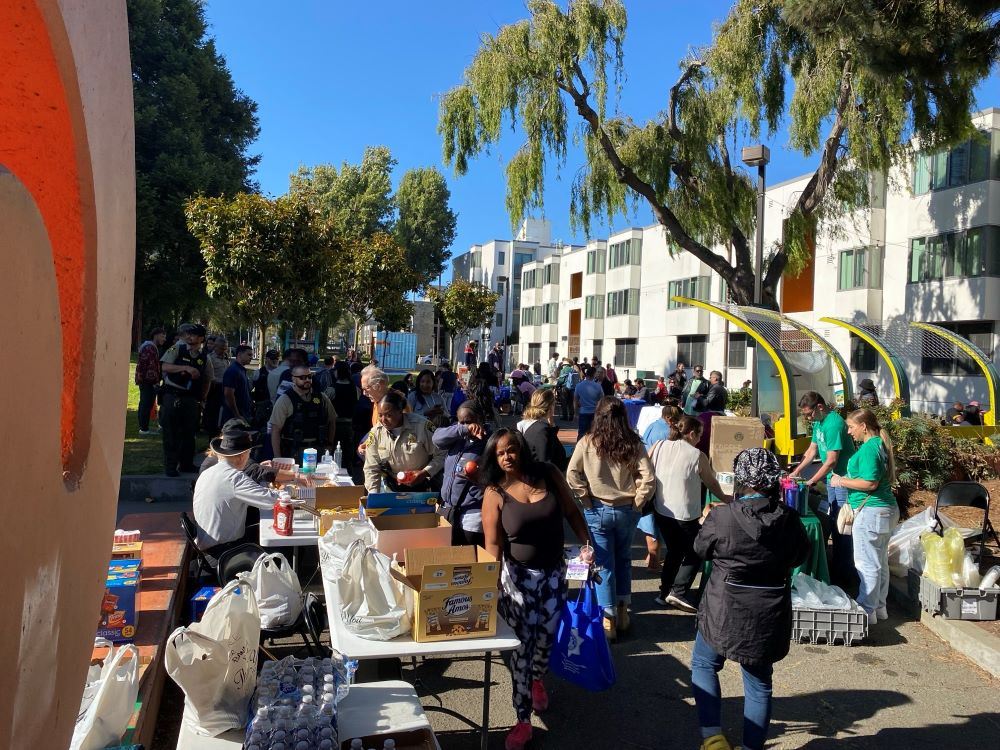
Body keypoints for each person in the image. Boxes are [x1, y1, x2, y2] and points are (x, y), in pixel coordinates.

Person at [480, 428, 593, 750]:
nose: (507, 457)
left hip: (555, 575)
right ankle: (522, 719)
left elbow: (572, 511)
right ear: (494, 458)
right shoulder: (495, 493)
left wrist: (587, 544)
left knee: (547, 638)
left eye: (511, 449)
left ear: (521, 449)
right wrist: (490, 589)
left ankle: (538, 677)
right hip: (517, 582)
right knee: (522, 649)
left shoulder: (548, 473)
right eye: (500, 453)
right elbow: (492, 545)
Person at [692, 448, 810, 750]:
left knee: (704, 664)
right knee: (759, 684)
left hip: (722, 609)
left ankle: (713, 740)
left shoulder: (721, 516)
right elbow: (800, 556)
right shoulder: (789, 519)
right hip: (768, 614)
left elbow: (700, 549)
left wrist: (707, 523)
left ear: (740, 479)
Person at [567, 397, 655, 640]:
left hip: (598, 508)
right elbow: (648, 477)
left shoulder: (588, 442)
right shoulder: (633, 443)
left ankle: (609, 618)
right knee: (623, 559)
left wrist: (585, 498)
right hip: (627, 508)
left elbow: (572, 473)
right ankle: (622, 610)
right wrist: (638, 501)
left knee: (604, 564)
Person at [649, 415, 728, 613]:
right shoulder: (697, 455)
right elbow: (711, 482)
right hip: (684, 513)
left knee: (674, 550)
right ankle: (678, 590)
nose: (700, 439)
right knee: (698, 549)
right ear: (691, 433)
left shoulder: (659, 445)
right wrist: (727, 499)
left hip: (661, 508)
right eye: (699, 435)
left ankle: (664, 592)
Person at [833, 408, 899, 623]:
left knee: (866, 563)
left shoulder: (870, 448)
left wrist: (840, 481)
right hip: (884, 510)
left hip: (871, 511)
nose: (849, 432)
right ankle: (879, 607)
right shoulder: (878, 444)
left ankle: (866, 609)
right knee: (879, 561)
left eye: (851, 427)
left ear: (863, 426)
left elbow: (870, 483)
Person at [787, 391, 856, 581]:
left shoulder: (833, 424)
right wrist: (797, 471)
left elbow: (832, 460)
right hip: (832, 479)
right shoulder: (819, 422)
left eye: (809, 414)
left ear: (819, 407)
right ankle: (837, 564)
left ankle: (845, 572)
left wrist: (811, 481)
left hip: (843, 478)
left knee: (843, 523)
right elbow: (812, 451)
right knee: (833, 518)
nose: (808, 418)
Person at [192, 420, 279, 567]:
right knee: (279, 548)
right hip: (224, 553)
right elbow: (272, 501)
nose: (249, 457)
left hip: (208, 548)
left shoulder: (209, 472)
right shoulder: (234, 477)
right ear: (241, 457)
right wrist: (289, 492)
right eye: (249, 453)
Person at [433, 401, 491, 545]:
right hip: (448, 508)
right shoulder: (458, 437)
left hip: (472, 511)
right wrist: (463, 429)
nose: (466, 425)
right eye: (461, 422)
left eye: (469, 421)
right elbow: (436, 438)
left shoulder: (489, 442)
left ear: (480, 419)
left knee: (468, 551)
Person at [363, 391, 445, 492]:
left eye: (388, 415)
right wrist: (374, 494)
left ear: (400, 411)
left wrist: (425, 472)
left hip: (421, 486)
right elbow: (371, 467)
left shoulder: (422, 426)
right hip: (391, 487)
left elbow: (442, 454)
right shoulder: (376, 432)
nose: (383, 420)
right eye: (380, 415)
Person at [160, 323, 210, 476]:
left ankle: (186, 464)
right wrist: (185, 368)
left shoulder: (205, 357)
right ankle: (171, 466)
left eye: (193, 334)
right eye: (188, 334)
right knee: (171, 433)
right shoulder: (177, 349)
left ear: (201, 338)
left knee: (189, 434)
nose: (189, 337)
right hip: (172, 395)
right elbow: (164, 367)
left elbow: (208, 378)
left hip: (191, 399)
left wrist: (202, 398)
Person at [269, 365, 337, 462]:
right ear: (293, 379)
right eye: (302, 377)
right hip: (294, 452)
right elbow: (275, 430)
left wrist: (329, 444)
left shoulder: (321, 397)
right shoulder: (285, 400)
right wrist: (278, 458)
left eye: (309, 376)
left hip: (318, 450)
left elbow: (332, 421)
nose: (307, 380)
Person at [516, 388, 568, 472]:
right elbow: (546, 463)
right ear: (551, 406)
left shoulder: (532, 426)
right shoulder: (542, 430)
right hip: (542, 477)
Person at [324, 361, 359, 473]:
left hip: (334, 425)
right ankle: (349, 473)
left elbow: (325, 404)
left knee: (333, 451)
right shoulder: (355, 388)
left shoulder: (332, 389)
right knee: (348, 453)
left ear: (337, 372)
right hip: (350, 424)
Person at [135, 327, 166, 435]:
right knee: (146, 403)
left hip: (146, 380)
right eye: (162, 336)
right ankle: (144, 429)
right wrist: (154, 382)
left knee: (145, 403)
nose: (164, 339)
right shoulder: (149, 347)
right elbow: (149, 367)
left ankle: (144, 427)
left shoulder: (150, 347)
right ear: (156, 335)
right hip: (147, 381)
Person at [219, 344, 254, 425]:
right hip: (233, 417)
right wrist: (237, 415)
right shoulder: (233, 371)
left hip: (242, 414)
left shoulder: (241, 370)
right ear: (239, 354)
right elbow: (228, 394)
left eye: (251, 355)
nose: (251, 357)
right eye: (249, 355)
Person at [203, 335, 231, 433]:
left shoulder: (226, 358)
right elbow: (207, 374)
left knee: (223, 409)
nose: (223, 350)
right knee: (212, 409)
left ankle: (220, 428)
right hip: (214, 387)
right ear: (215, 346)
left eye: (225, 348)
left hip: (225, 387)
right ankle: (210, 429)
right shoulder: (210, 358)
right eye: (221, 348)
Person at [251, 349, 280, 426]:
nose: (275, 360)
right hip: (261, 408)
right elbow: (248, 390)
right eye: (272, 358)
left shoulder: (282, 373)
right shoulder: (258, 373)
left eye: (276, 358)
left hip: (277, 407)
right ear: (266, 359)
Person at [573, 366, 603, 439]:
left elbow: (575, 400)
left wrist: (575, 413)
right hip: (594, 412)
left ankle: (579, 445)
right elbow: (602, 400)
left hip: (583, 412)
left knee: (581, 434)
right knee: (595, 434)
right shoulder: (598, 386)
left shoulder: (579, 386)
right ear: (594, 374)